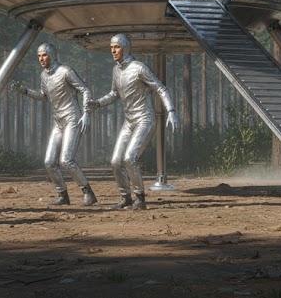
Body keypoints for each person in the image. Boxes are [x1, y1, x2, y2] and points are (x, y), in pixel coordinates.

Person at [90, 34, 178, 210]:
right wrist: (98, 103)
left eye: (116, 47)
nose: (113, 51)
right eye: (111, 47)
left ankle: (140, 198)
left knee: (129, 158)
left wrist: (171, 111)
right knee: (115, 161)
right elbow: (114, 94)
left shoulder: (138, 68)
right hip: (129, 122)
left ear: (125, 48)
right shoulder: (116, 71)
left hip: (145, 119)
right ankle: (125, 198)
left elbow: (160, 87)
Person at [9, 43, 98, 206]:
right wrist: (25, 91)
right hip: (58, 122)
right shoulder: (44, 76)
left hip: (72, 118)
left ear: (52, 55)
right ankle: (63, 195)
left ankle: (88, 193)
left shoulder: (66, 71)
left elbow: (85, 90)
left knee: (66, 160)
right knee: (49, 162)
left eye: (44, 55)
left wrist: (86, 113)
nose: (41, 59)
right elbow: (44, 96)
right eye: (39, 56)